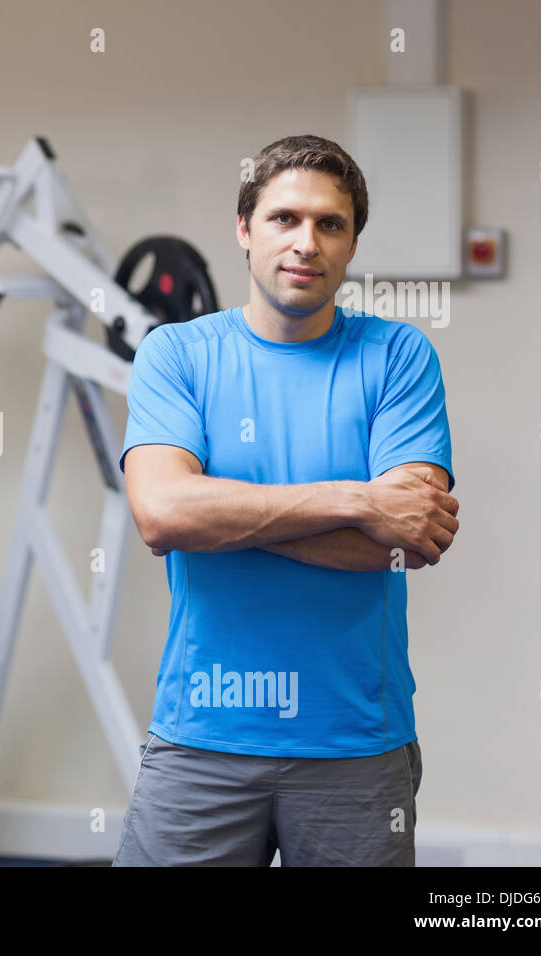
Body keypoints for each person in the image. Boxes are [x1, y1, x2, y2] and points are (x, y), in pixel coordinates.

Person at [113, 133, 458, 866]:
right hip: (202, 737)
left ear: (352, 243)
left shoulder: (397, 358)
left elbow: (406, 540)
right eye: (284, 219)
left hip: (356, 743)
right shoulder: (177, 354)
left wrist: (219, 516)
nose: (306, 242)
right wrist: (357, 500)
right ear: (245, 230)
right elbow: (162, 514)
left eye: (330, 224)